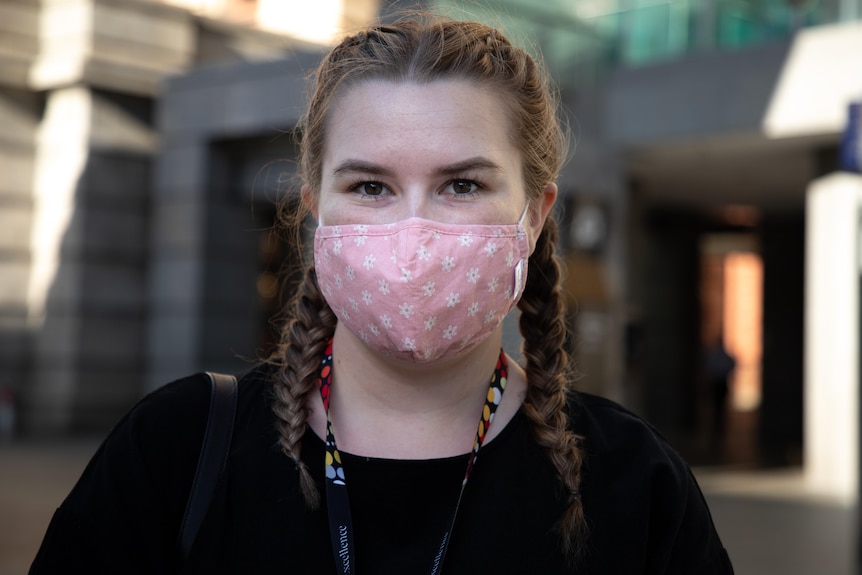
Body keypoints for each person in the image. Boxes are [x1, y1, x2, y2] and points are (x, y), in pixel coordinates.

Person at [30, 15, 733, 575]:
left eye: (463, 184)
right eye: (370, 186)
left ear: (535, 214)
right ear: (316, 210)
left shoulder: (633, 484)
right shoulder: (175, 451)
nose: (414, 230)